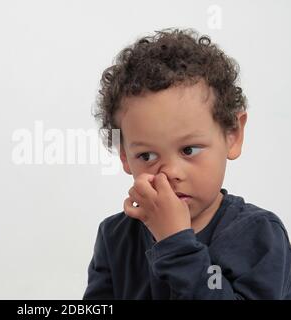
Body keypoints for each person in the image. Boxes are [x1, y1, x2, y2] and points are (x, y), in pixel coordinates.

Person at [83, 28, 291, 299]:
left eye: (189, 150)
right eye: (147, 156)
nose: (170, 173)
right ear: (124, 156)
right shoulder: (115, 237)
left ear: (233, 135)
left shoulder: (259, 235)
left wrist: (175, 243)